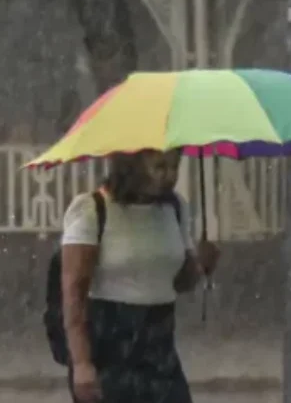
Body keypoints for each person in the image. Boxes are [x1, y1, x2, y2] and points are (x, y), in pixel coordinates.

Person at [61, 149, 220, 403]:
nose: (170, 175)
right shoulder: (93, 210)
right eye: (159, 167)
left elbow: (179, 282)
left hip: (160, 347)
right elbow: (74, 294)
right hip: (108, 347)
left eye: (174, 166)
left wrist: (201, 264)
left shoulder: (175, 208)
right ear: (131, 165)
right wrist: (81, 363)